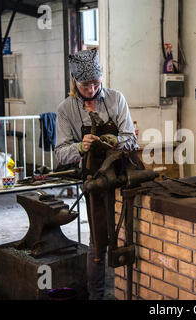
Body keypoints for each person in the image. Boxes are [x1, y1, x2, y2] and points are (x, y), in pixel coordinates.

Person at [55, 48, 138, 300]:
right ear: (74, 83)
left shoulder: (116, 99)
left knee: (129, 235)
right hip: (94, 182)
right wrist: (81, 146)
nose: (91, 89)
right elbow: (60, 152)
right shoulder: (66, 109)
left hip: (123, 176)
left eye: (95, 83)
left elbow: (131, 139)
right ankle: (96, 296)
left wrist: (115, 140)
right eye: (85, 85)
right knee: (98, 244)